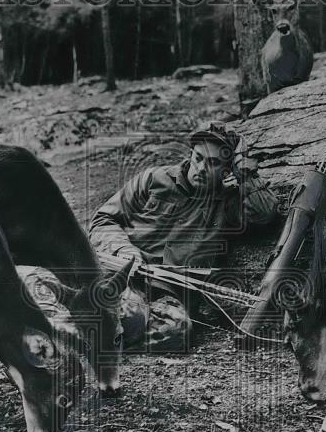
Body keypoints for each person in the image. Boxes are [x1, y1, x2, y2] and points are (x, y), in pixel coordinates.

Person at [88, 121, 279, 351]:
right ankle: (107, 330)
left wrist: (244, 170)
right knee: (128, 309)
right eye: (198, 158)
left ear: (226, 170)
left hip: (169, 294)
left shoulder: (229, 202)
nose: (200, 168)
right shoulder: (153, 179)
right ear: (191, 153)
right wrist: (124, 250)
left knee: (177, 330)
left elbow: (265, 213)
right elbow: (103, 220)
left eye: (213, 163)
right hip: (123, 276)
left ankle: (102, 336)